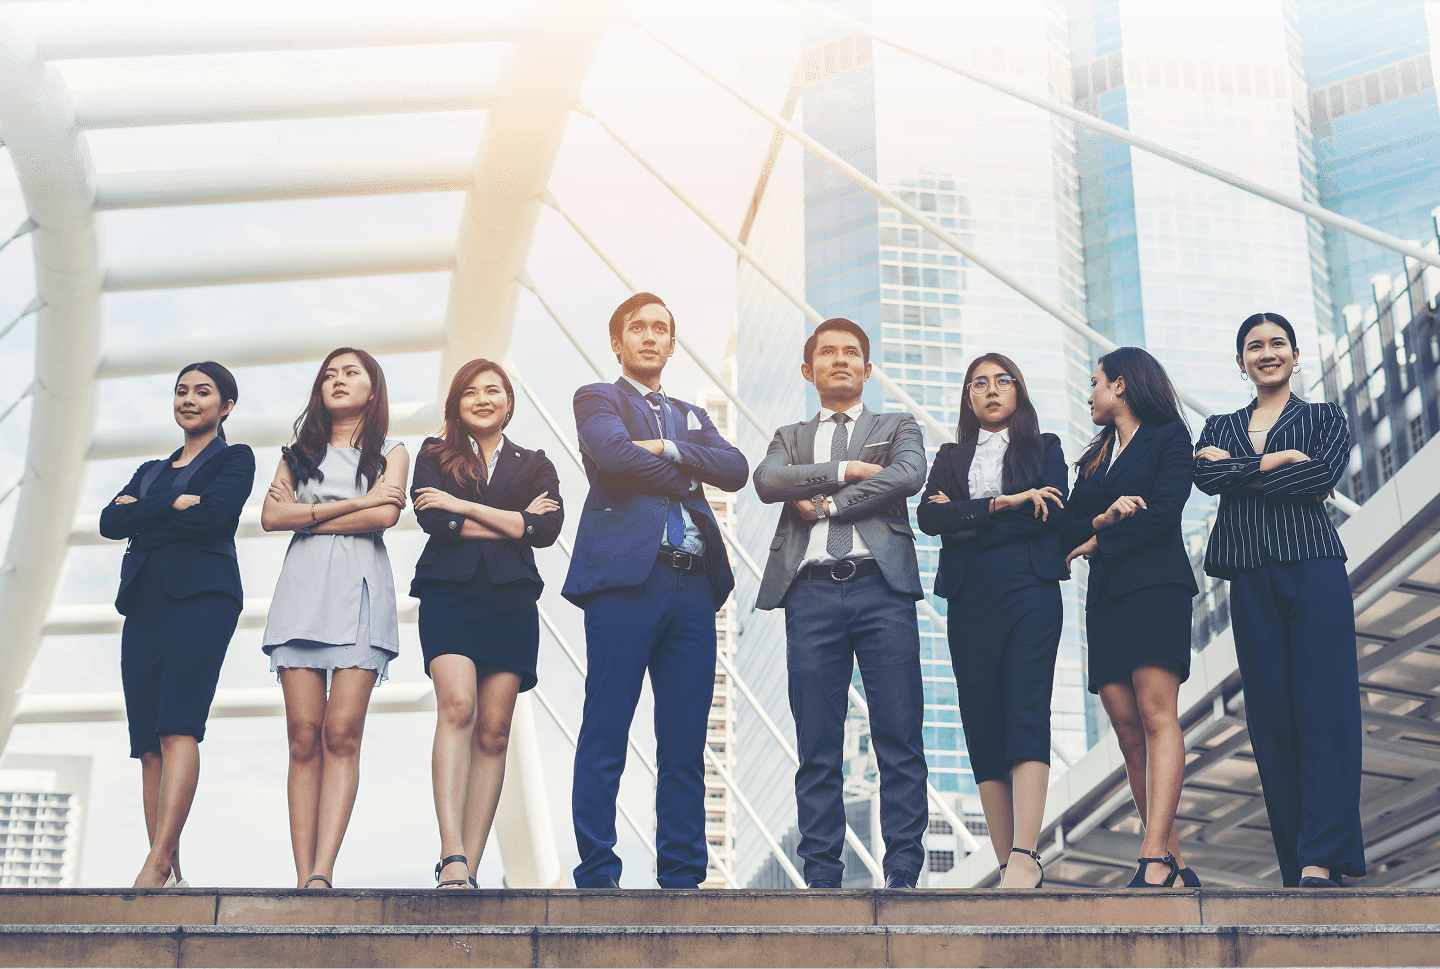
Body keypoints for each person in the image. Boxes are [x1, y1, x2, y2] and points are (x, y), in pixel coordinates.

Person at [562, 292, 748, 889]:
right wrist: (696, 466)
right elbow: (611, 453)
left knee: (686, 742)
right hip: (624, 582)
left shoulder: (693, 412)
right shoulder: (598, 397)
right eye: (637, 328)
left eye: (660, 329)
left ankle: (684, 878)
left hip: (693, 585)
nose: (649, 336)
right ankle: (596, 872)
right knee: (606, 728)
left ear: (672, 342)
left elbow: (737, 469)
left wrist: (666, 449)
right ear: (618, 342)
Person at [753, 317, 929, 890]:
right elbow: (768, 481)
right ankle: (822, 874)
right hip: (810, 595)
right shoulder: (789, 437)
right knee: (817, 741)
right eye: (827, 352)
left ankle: (903, 867)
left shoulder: (896, 424)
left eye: (852, 353)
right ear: (809, 370)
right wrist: (845, 469)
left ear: (868, 368)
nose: (840, 360)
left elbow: (909, 473)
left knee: (899, 733)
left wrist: (829, 503)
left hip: (883, 589)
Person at [1194, 312, 1363, 888]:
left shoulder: (1324, 416)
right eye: (1254, 346)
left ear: (1295, 355)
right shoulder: (1218, 423)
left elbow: (1321, 479)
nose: (1266, 353)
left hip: (1313, 567)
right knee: (1271, 719)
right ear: (1239, 361)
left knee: (1327, 709)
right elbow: (1206, 480)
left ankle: (1322, 854)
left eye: (1277, 344)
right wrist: (1276, 461)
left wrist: (1241, 471)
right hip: (1249, 575)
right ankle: (1300, 865)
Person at [99, 361, 254, 889]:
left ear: (225, 406)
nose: (190, 399)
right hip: (145, 601)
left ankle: (157, 862)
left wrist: (144, 511)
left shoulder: (235, 458)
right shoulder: (151, 470)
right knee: (146, 741)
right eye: (181, 391)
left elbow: (213, 517)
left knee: (178, 725)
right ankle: (170, 871)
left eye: (203, 392)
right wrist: (167, 502)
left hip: (202, 599)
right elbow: (108, 522)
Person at [915, 353, 1067, 890]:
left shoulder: (1045, 449)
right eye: (978, 383)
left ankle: (1026, 854)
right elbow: (928, 518)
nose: (991, 390)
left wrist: (969, 518)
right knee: (981, 719)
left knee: (1025, 707)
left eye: (1003, 381)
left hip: (1029, 588)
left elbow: (1050, 513)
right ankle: (1008, 867)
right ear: (968, 397)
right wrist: (1003, 504)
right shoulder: (950, 455)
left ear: (1019, 391)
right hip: (968, 597)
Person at [410, 359, 563, 890]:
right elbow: (434, 521)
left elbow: (545, 530)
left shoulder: (535, 463)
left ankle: (470, 868)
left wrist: (460, 506)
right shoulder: (434, 455)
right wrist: (512, 522)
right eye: (470, 391)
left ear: (509, 401)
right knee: (458, 707)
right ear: (456, 402)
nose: (482, 398)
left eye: (492, 390)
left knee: (496, 731)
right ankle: (450, 853)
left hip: (511, 601)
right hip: (450, 594)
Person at [260, 347, 409, 889]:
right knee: (303, 735)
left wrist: (309, 515)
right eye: (329, 374)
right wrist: (352, 505)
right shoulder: (296, 454)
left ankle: (323, 872)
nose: (338, 380)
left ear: (374, 388)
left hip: (362, 592)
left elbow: (387, 514)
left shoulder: (392, 453)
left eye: (351, 373)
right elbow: (271, 516)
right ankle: (302, 876)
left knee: (341, 732)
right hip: (302, 593)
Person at [1060, 346, 1200, 889]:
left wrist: (1099, 537)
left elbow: (1164, 513)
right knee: (1124, 728)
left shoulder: (1169, 437)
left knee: (1156, 713)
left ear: (1120, 385)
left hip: (1157, 587)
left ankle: (1151, 857)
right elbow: (1068, 529)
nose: (1088, 394)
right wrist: (1102, 522)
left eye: (1094, 383)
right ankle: (1174, 860)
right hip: (1108, 597)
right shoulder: (1093, 459)